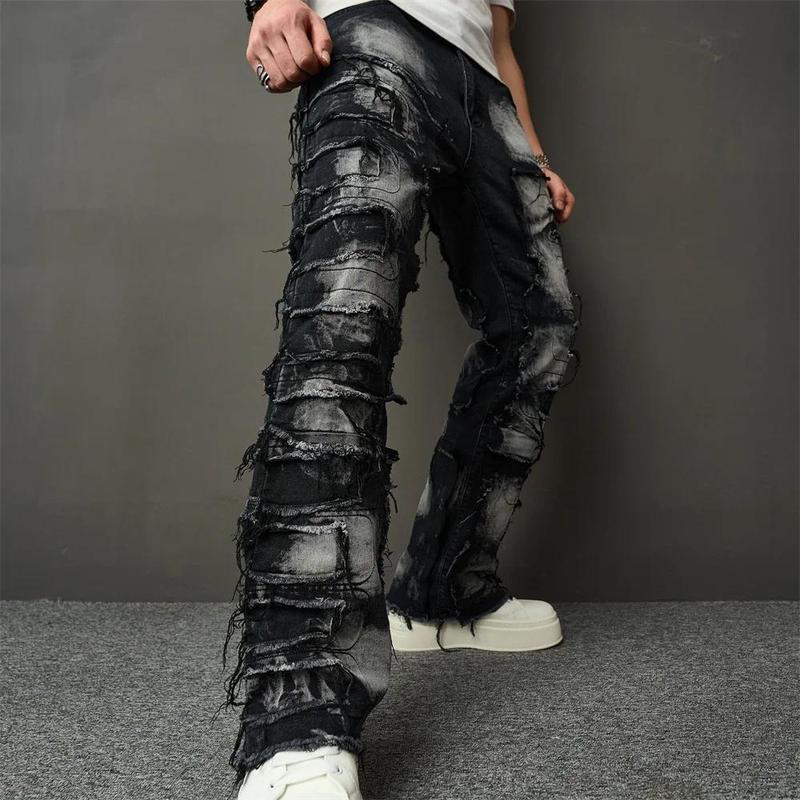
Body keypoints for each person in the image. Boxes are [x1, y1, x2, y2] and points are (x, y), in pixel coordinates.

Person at [222, 1, 582, 797]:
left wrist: (534, 154)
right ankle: (297, 715)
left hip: (483, 91)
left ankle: (444, 590)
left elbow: (499, 35)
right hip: (369, 31)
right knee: (344, 321)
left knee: (540, 330)